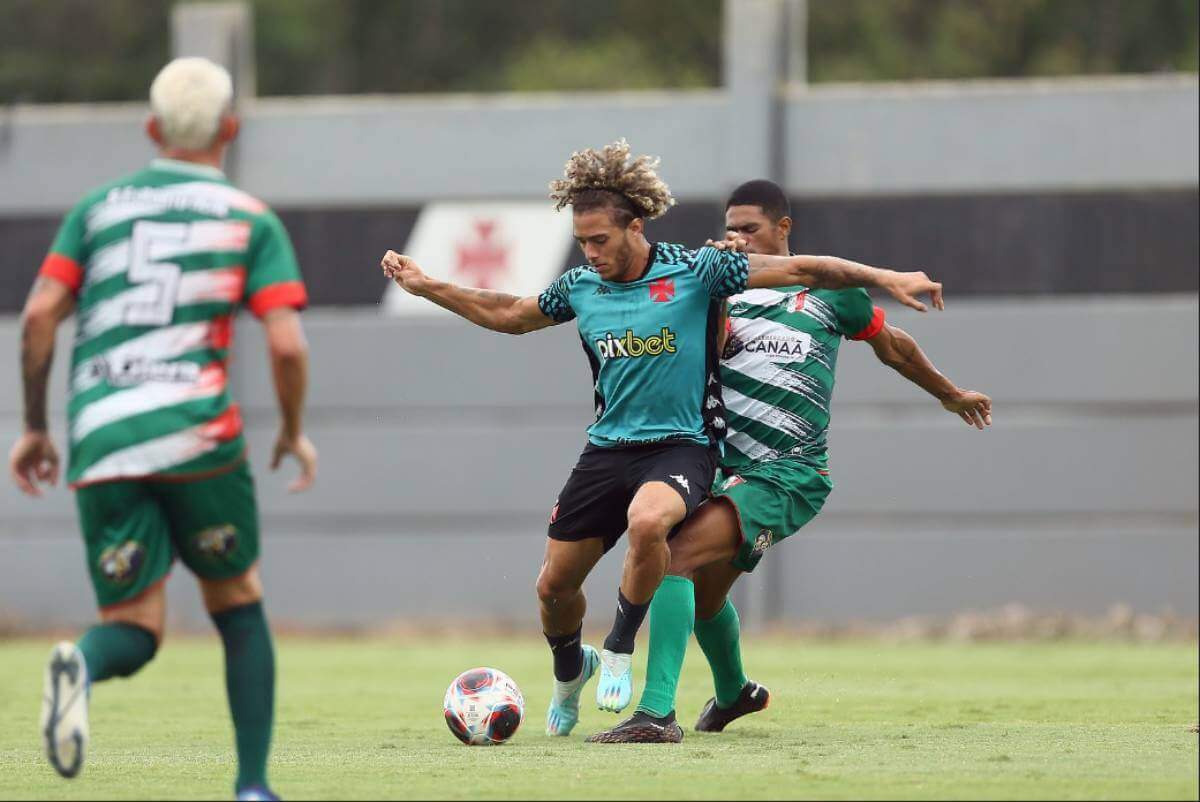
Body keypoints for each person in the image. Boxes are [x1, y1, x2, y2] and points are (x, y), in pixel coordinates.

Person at [380, 140, 944, 739]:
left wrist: (886, 277)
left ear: (635, 226)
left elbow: (806, 269)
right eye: (582, 241)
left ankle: (629, 665)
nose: (590, 252)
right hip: (606, 449)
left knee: (657, 531)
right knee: (554, 587)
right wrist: (427, 286)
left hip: (684, 446)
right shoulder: (579, 286)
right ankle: (583, 674)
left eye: (600, 239)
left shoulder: (698, 268)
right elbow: (510, 312)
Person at [585, 179, 991, 743]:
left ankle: (656, 715)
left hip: (789, 472)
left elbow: (891, 345)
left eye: (749, 228)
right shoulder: (714, 285)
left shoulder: (829, 292)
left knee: (673, 556)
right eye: (731, 228)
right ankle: (735, 694)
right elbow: (703, 341)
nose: (738, 238)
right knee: (705, 597)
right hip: (720, 468)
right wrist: (716, 291)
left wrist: (950, 394)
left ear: (784, 229)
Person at [10, 57, 317, 801]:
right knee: (237, 600)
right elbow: (284, 343)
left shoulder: (96, 210)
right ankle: (250, 787)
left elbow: (39, 317)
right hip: (196, 436)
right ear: (230, 131)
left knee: (133, 623)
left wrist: (34, 426)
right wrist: (291, 429)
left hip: (103, 433)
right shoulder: (249, 219)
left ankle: (82, 663)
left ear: (151, 129)